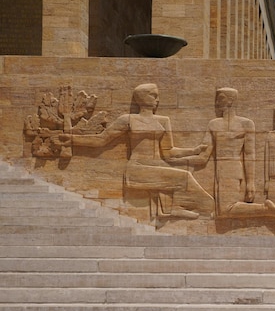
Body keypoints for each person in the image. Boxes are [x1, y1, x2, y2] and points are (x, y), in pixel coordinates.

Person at [53, 83, 213, 219]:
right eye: (153, 96)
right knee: (185, 177)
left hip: (158, 165)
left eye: (157, 96)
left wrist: (194, 150)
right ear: (142, 98)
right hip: (138, 168)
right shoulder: (128, 119)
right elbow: (101, 139)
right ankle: (175, 207)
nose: (157, 100)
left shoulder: (164, 120)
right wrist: (73, 140)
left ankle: (174, 207)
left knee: (193, 186)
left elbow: (169, 152)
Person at [196, 87, 275, 217]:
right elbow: (203, 155)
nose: (217, 103)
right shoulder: (214, 124)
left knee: (226, 209)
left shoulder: (246, 124)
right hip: (220, 169)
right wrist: (175, 157)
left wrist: (251, 183)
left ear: (231, 100)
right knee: (221, 213)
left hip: (232, 167)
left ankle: (265, 209)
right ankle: (265, 209)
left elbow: (249, 154)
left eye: (221, 98)